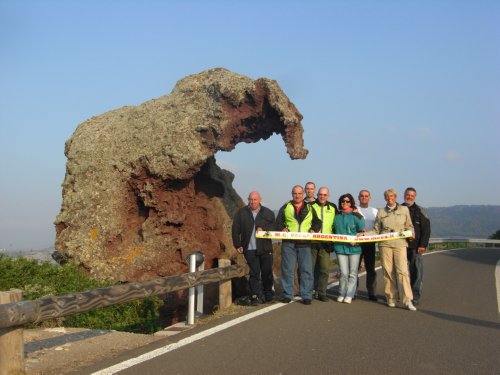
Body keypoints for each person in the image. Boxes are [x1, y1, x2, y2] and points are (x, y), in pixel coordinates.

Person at [362, 188, 416, 311]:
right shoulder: (381, 212)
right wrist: (363, 235)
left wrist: (411, 233)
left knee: (403, 271)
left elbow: (409, 226)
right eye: (387, 196)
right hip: (385, 244)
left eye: (392, 196)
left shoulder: (404, 210)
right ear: (385, 198)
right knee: (388, 271)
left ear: (396, 197)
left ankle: (408, 300)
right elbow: (376, 230)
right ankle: (391, 297)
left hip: (400, 244)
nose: (390, 198)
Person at [276, 185, 321, 305]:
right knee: (287, 270)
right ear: (292, 194)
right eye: (295, 193)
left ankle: (306, 295)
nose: (297, 195)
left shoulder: (310, 208)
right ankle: (287, 294)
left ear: (303, 194)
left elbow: (318, 222)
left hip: (305, 244)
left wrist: (314, 230)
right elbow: (278, 221)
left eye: (300, 193)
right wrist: (282, 228)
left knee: (306, 270)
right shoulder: (286, 207)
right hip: (288, 243)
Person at [232, 191, 276, 305]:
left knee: (267, 272)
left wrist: (263, 228)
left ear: (260, 199)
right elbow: (235, 230)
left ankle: (268, 294)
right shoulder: (241, 213)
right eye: (250, 199)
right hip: (249, 249)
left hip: (265, 248)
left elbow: (274, 227)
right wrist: (237, 245)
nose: (252, 202)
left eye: (255, 199)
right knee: (254, 273)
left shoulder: (268, 213)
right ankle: (255, 295)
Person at [333, 193, 365, 304]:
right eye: (343, 201)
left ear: (351, 203)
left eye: (347, 201)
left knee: (352, 273)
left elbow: (362, 231)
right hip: (340, 247)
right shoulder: (336, 216)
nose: (345, 203)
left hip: (354, 248)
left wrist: (357, 238)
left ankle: (350, 294)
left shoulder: (357, 216)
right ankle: (341, 292)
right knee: (343, 272)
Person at [402, 187, 431, 305]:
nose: (409, 197)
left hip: (415, 246)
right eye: (408, 195)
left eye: (412, 195)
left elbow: (426, 229)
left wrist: (423, 245)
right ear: (404, 195)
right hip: (401, 245)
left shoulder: (421, 210)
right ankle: (404, 293)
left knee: (416, 272)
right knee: (402, 272)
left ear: (415, 197)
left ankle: (415, 296)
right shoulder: (399, 208)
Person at [310, 187, 338, 302]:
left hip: (326, 243)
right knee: (310, 269)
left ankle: (322, 292)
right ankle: (311, 291)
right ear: (317, 195)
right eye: (320, 194)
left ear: (328, 196)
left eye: (325, 195)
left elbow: (337, 222)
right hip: (312, 242)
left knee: (324, 269)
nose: (322, 196)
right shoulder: (310, 206)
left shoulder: (333, 207)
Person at [357, 189, 379, 301]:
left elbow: (378, 227)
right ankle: (353, 291)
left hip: (370, 243)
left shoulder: (375, 211)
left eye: (366, 196)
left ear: (370, 198)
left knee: (370, 268)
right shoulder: (355, 210)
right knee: (354, 268)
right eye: (362, 196)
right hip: (357, 243)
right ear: (358, 197)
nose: (364, 197)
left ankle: (372, 292)